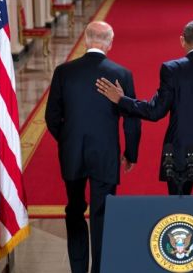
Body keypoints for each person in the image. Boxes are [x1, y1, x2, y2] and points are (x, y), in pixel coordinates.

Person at [96, 20, 193, 195]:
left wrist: (122, 100)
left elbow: (155, 111)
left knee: (179, 217)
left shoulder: (171, 69)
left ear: (182, 41)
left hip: (178, 157)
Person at [45, 21, 141, 273]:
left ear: (85, 40)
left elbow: (52, 117)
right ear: (109, 43)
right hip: (106, 155)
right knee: (103, 215)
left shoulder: (63, 72)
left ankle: (78, 269)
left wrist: (67, 141)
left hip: (72, 153)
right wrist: (130, 153)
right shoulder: (122, 74)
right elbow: (132, 118)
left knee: (75, 210)